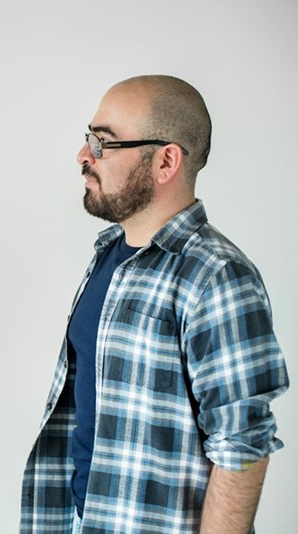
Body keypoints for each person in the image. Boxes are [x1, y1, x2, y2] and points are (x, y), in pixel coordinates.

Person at [20, 75, 288, 533]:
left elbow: (242, 446)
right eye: (88, 139)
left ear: (166, 161)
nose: (85, 156)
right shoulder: (108, 254)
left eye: (104, 144)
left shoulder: (217, 276)